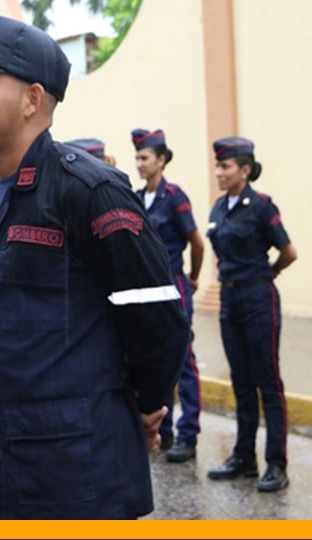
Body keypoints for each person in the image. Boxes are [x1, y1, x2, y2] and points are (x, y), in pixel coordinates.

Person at [0, 14, 188, 518]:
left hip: (75, 470)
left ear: (31, 99)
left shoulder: (88, 190)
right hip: (6, 465)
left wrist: (148, 404)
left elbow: (156, 316)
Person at [205, 137, 297, 493]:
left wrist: (267, 275)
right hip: (230, 303)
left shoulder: (260, 206)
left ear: (245, 170)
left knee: (267, 382)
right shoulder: (218, 208)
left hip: (258, 298)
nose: (219, 172)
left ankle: (277, 463)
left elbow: (289, 251)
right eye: (218, 166)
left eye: (226, 166)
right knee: (241, 383)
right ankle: (244, 457)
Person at [132, 128, 205, 462]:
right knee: (159, 360)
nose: (139, 164)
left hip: (174, 284)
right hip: (149, 288)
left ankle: (189, 434)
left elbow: (197, 241)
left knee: (184, 360)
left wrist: (192, 278)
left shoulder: (174, 196)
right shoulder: (135, 197)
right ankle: (166, 430)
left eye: (145, 158)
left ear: (161, 160)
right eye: (137, 158)